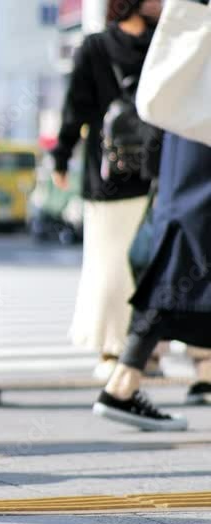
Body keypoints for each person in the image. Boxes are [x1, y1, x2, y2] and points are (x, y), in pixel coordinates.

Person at [52, 0, 164, 381]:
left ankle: (112, 349)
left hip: (107, 174)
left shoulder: (95, 47)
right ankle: (146, 349)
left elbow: (75, 109)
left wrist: (61, 156)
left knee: (107, 265)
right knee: (151, 263)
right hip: (157, 173)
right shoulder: (162, 45)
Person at [93, 131, 211, 431]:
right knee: (174, 273)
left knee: (175, 270)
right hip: (196, 151)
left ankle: (123, 385)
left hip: (184, 151)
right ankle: (122, 385)